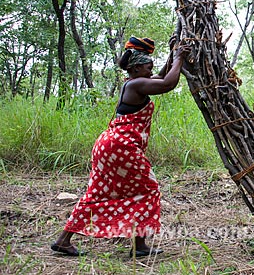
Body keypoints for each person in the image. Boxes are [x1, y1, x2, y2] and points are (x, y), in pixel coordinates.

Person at [50, 36, 188, 258]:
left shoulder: (133, 83)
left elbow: (161, 77)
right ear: (135, 68)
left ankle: (63, 240)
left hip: (108, 145)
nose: (151, 70)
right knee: (148, 189)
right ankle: (140, 244)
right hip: (121, 146)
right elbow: (168, 83)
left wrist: (173, 56)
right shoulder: (137, 84)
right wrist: (180, 57)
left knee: (97, 193)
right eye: (147, 66)